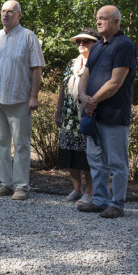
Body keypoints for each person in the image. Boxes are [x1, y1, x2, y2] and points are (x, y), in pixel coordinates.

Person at [0, 0, 45, 201]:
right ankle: (5, 184)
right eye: (3, 11)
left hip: (19, 100)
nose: (5, 15)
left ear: (19, 15)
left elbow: (37, 68)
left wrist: (33, 96)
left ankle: (21, 186)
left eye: (10, 11)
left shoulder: (28, 36)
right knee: (0, 142)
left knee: (21, 144)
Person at [78, 5, 137, 218]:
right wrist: (84, 97)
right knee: (96, 160)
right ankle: (100, 200)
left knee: (117, 162)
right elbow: (85, 74)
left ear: (116, 21)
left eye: (103, 18)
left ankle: (117, 203)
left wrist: (92, 100)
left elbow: (116, 82)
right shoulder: (97, 47)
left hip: (113, 114)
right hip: (93, 114)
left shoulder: (125, 45)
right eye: (97, 19)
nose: (98, 22)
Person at [54, 28, 98, 203]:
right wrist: (58, 111)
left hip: (87, 115)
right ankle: (76, 189)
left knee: (87, 156)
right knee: (69, 154)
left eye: (86, 41)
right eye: (79, 41)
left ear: (95, 44)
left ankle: (90, 192)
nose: (81, 44)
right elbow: (63, 90)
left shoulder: (97, 64)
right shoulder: (72, 63)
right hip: (69, 116)